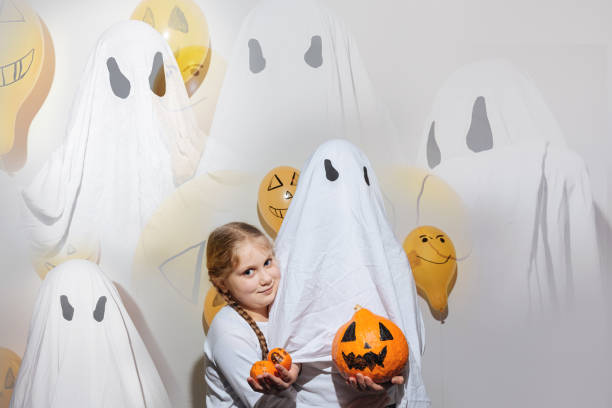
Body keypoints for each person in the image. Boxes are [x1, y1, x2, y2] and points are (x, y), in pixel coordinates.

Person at [204, 222, 299, 407]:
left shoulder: (278, 305)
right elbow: (271, 404)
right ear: (222, 283)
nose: (266, 279)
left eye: (267, 262)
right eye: (249, 272)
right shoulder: (228, 334)